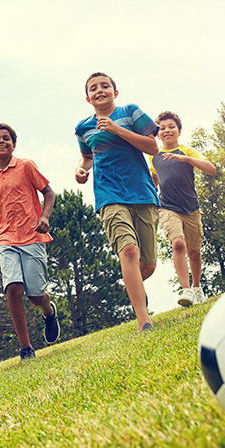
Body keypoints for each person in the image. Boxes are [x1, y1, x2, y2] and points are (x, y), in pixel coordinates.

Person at [74, 72, 160, 332]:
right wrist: (81, 169)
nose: (100, 90)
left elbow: (152, 147)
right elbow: (87, 156)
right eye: (94, 88)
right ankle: (143, 319)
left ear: (115, 91)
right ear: (88, 98)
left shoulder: (130, 112)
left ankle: (133, 284)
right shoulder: (83, 127)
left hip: (142, 193)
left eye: (105, 86)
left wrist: (116, 129)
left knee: (147, 265)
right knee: (128, 251)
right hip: (108, 194)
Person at [0, 123, 60, 360]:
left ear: (13, 144)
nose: (1, 142)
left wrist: (44, 216)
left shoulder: (26, 166)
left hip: (32, 235)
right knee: (13, 288)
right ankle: (25, 348)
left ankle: (48, 311)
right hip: (5, 238)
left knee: (35, 295)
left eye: (6, 139)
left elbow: (49, 193)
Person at [149, 111, 217, 307]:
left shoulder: (187, 151)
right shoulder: (154, 157)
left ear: (179, 131)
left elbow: (210, 169)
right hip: (167, 207)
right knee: (178, 243)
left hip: (191, 208)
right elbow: (154, 179)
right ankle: (186, 289)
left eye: (171, 127)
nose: (167, 130)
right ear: (158, 135)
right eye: (162, 128)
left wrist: (185, 159)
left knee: (194, 252)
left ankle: (197, 287)